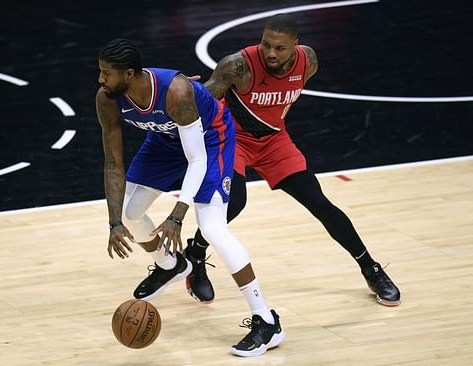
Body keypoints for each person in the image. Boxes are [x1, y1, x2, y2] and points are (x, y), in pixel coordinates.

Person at [184, 13, 401, 307]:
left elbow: (276, 102)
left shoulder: (308, 62)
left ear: (295, 46)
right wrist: (178, 92)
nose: (271, 53)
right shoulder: (239, 65)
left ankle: (371, 269)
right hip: (233, 140)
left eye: (280, 48)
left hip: (274, 141)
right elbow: (203, 100)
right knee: (234, 202)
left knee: (319, 203)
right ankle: (194, 256)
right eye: (266, 45)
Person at [95, 38, 285, 357]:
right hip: (165, 140)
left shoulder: (176, 91)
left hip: (210, 140)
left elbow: (197, 160)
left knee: (212, 228)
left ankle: (267, 321)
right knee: (130, 212)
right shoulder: (107, 98)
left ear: (128, 73)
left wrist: (176, 215)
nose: (100, 79)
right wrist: (113, 222)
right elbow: (113, 161)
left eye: (105, 73)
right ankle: (170, 265)